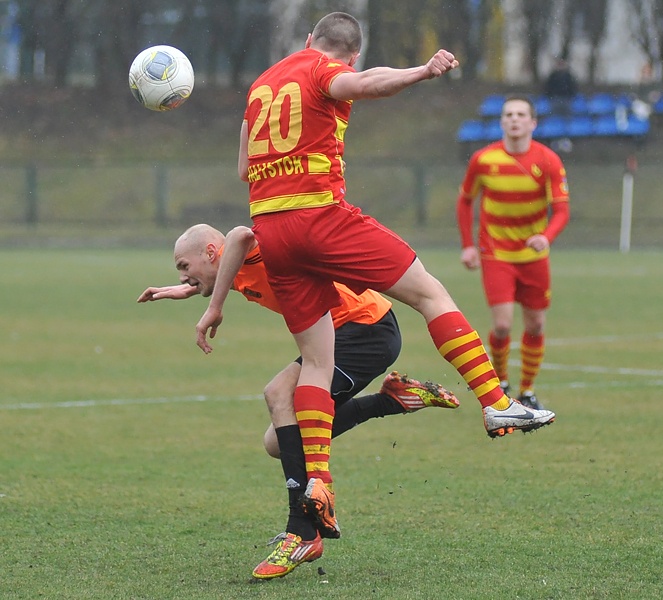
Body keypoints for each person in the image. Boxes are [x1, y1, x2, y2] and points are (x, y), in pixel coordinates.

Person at [204, 12, 556, 579]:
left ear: (307, 39)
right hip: (320, 217)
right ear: (348, 53)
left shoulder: (262, 85)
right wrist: (422, 71)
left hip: (270, 229)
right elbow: (362, 85)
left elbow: (245, 166)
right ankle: (495, 403)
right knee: (430, 294)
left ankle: (318, 483)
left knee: (318, 362)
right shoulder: (327, 71)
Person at [138, 224, 460, 577]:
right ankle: (392, 400)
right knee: (276, 442)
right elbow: (230, 269)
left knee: (278, 394)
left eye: (185, 266)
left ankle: (303, 532)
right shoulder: (235, 270)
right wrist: (192, 287)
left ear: (214, 253)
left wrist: (214, 303)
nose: (183, 275)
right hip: (344, 333)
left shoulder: (248, 250)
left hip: (365, 329)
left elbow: (243, 234)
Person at [456, 96, 570, 412]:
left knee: (534, 325)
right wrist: (468, 245)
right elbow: (465, 201)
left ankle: (528, 390)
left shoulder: (548, 161)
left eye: (521, 114)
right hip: (496, 254)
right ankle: (502, 384)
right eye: (508, 114)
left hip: (533, 257)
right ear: (502, 122)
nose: (514, 119)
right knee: (503, 325)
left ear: (533, 123)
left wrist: (545, 238)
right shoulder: (484, 159)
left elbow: (561, 210)